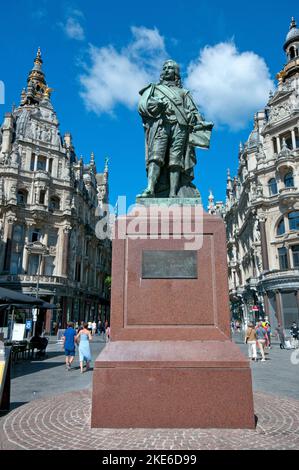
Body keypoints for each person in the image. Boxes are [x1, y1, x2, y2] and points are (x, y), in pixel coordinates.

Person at [138, 59, 213, 198]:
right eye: (164, 68)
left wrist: (195, 118)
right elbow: (143, 106)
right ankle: (150, 188)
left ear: (176, 73)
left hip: (180, 127)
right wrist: (156, 105)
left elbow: (194, 112)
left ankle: (173, 194)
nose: (166, 70)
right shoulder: (154, 89)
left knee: (176, 160)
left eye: (170, 68)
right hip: (161, 125)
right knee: (155, 156)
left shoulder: (184, 93)